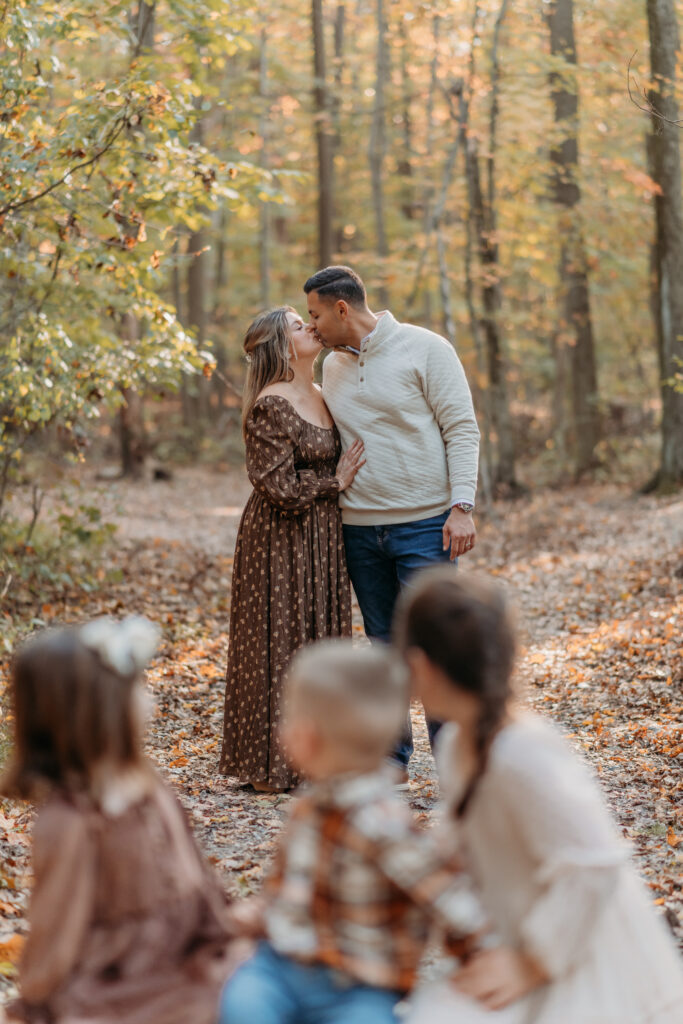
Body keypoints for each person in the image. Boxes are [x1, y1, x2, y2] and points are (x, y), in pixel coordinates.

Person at [395, 567, 683, 1024]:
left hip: (591, 960)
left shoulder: (522, 752)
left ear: (418, 665)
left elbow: (594, 868)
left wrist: (530, 963)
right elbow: (456, 847)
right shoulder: (456, 746)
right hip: (520, 939)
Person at [218, 640, 487, 1024]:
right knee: (242, 1002)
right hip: (283, 967)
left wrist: (483, 950)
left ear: (306, 739)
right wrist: (256, 915)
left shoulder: (383, 824)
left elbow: (446, 895)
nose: (281, 729)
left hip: (360, 985)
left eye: (287, 719)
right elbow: (290, 887)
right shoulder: (309, 805)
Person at [2, 616, 239, 1024]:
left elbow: (197, 884)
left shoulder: (152, 789)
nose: (147, 696)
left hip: (189, 956)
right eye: (135, 687)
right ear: (97, 712)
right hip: (115, 981)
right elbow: (56, 925)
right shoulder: (70, 820)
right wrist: (35, 1005)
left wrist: (232, 937)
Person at [304, 265, 480, 777]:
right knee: (382, 645)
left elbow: (461, 429)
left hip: (426, 523)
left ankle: (452, 760)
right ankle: (391, 757)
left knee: (434, 644)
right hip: (358, 528)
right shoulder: (331, 367)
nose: (312, 326)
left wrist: (461, 506)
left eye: (316, 314)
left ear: (342, 308)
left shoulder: (427, 349)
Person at [219, 307, 364, 793]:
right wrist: (335, 481)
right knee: (280, 639)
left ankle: (320, 758)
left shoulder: (322, 393)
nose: (310, 327)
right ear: (281, 346)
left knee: (317, 635)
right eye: (298, 325)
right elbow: (276, 485)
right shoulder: (270, 403)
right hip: (280, 536)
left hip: (322, 532)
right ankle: (273, 763)